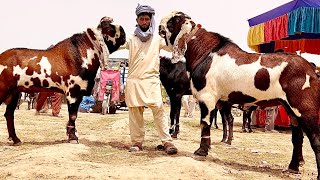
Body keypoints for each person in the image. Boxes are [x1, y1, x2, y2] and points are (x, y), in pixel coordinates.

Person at [119, 4, 178, 154]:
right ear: (137, 20)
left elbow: (172, 47)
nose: (144, 22)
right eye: (142, 19)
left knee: (159, 110)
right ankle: (137, 142)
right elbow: (114, 43)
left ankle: (167, 141)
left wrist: (175, 30)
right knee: (135, 113)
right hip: (134, 81)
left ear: (151, 20)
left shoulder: (158, 39)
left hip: (151, 81)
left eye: (147, 19)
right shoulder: (131, 39)